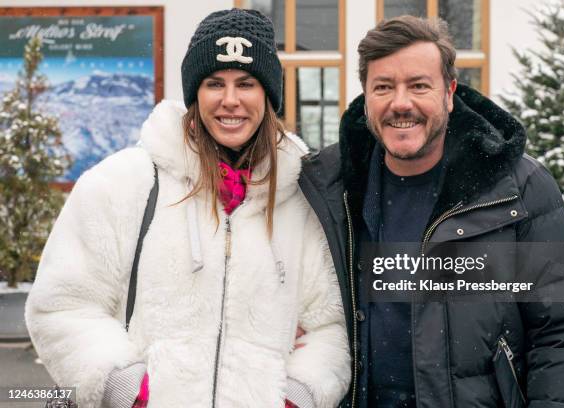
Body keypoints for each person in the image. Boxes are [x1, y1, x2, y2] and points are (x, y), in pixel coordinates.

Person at [25, 8, 350, 408]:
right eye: (215, 83)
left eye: (246, 83)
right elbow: (61, 305)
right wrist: (129, 391)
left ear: (268, 95)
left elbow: (331, 325)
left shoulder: (302, 198)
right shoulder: (125, 183)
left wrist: (298, 396)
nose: (230, 100)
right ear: (195, 92)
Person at [299, 15, 564, 408]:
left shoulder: (517, 190)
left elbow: (563, 333)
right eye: (383, 87)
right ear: (366, 96)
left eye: (419, 85)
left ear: (449, 91)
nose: (400, 103)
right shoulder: (329, 187)